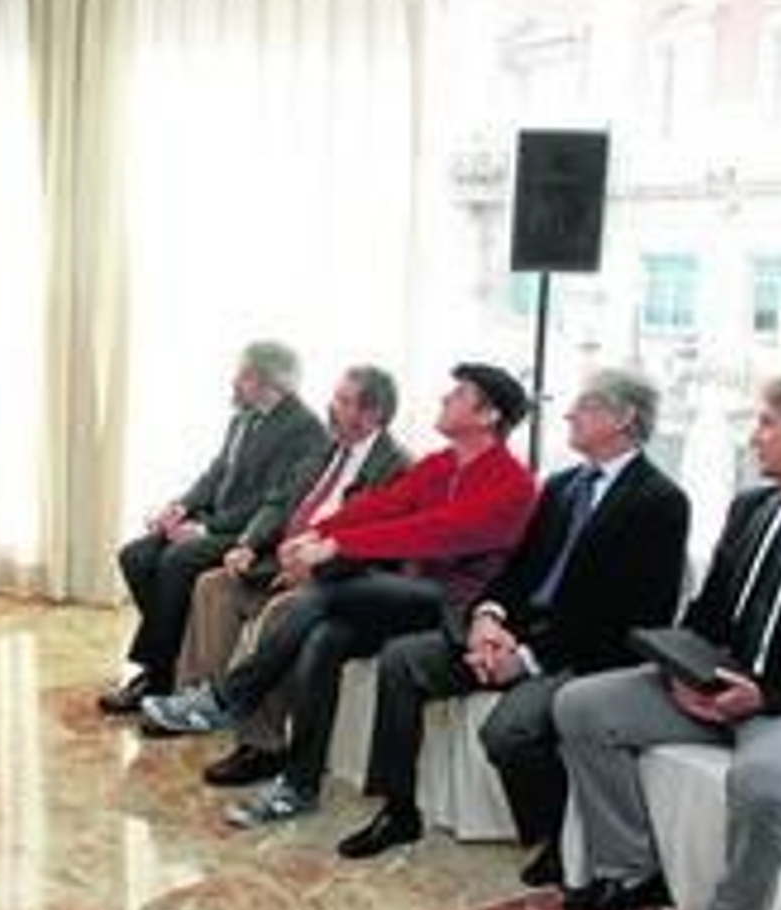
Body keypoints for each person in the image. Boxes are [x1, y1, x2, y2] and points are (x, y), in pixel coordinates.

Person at [554, 373, 781, 910]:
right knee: (580, 706)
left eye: (767, 423)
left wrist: (768, 697)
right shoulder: (752, 507)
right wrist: (681, 670)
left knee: (767, 779)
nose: (754, 436)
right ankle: (629, 869)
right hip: (716, 684)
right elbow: (710, 611)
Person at [142, 363, 537, 830]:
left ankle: (229, 698)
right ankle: (298, 785)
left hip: (455, 608)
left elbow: (434, 532)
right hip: (406, 597)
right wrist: (318, 533)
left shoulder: (513, 482)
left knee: (330, 587)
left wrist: (337, 546)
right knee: (323, 640)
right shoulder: (441, 464)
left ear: (489, 415)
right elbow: (383, 506)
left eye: (460, 394)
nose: (445, 398)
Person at [337, 369, 688, 883]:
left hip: (583, 654)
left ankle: (557, 837)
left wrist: (526, 658)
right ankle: (399, 809)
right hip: (516, 634)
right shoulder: (563, 486)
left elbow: (632, 615)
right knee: (403, 660)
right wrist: (489, 617)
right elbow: (519, 570)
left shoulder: (660, 501)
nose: (569, 414)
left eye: (585, 406)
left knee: (509, 731)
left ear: (624, 419)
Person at [161, 365, 410, 789]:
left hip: (335, 580)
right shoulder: (327, 447)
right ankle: (207, 704)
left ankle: (264, 746)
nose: (332, 407)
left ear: (372, 415)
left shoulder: (397, 467)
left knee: (280, 613)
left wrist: (315, 568)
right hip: (283, 561)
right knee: (214, 586)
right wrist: (250, 542)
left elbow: (376, 546)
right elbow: (280, 501)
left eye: (344, 401)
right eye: (336, 397)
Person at [98, 341, 329, 715]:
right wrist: (181, 507)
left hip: (252, 535)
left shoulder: (305, 430)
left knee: (177, 559)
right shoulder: (243, 417)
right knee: (136, 555)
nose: (234, 382)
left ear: (271, 382)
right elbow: (215, 473)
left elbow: (275, 503)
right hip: (215, 521)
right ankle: (171, 660)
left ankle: (157, 676)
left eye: (244, 375)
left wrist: (204, 531)